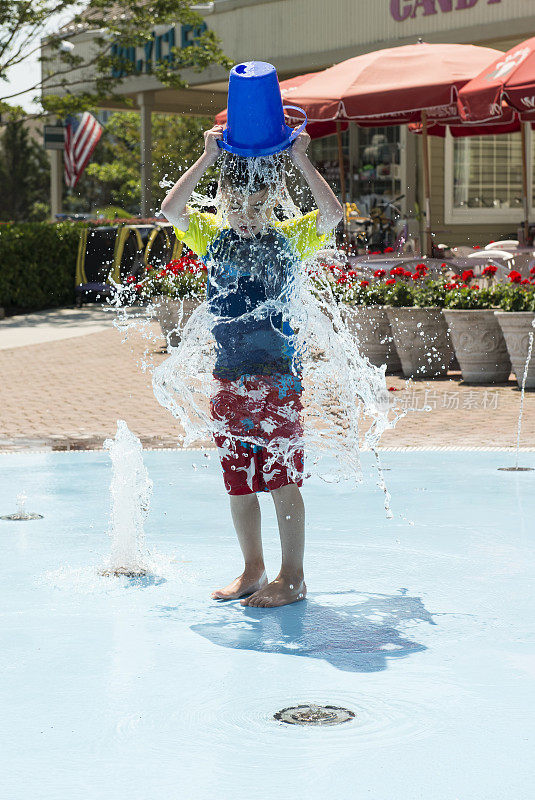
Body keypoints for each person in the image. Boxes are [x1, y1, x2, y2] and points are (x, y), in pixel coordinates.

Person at [161, 124, 343, 608]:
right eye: (237, 206)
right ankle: (252, 569)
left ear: (274, 200)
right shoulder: (212, 238)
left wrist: (302, 158)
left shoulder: (290, 240)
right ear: (221, 198)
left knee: (281, 480)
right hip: (229, 382)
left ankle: (294, 577)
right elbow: (171, 209)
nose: (246, 216)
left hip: (278, 384)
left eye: (259, 206)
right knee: (239, 483)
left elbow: (332, 213)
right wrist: (205, 156)